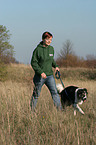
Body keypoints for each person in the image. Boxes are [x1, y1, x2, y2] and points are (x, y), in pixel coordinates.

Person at [30, 31, 62, 111]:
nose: (49, 41)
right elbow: (33, 63)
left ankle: (60, 110)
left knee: (55, 93)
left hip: (50, 76)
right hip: (39, 77)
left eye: (51, 40)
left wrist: (56, 66)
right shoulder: (37, 50)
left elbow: (51, 60)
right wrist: (40, 72)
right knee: (36, 94)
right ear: (43, 39)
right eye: (47, 39)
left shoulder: (51, 49)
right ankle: (32, 111)